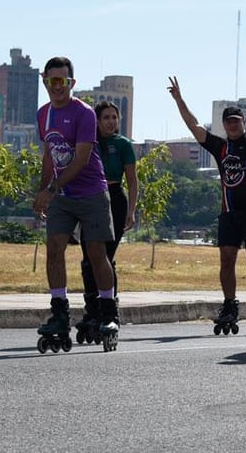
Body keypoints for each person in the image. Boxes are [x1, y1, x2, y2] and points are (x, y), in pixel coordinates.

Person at [167, 76, 246, 336]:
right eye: (228, 122)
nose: (232, 125)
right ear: (224, 125)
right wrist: (179, 100)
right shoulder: (220, 147)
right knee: (226, 259)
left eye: (236, 121)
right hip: (229, 212)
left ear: (243, 123)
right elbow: (193, 126)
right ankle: (229, 305)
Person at [32, 56, 119, 353]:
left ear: (72, 83)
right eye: (51, 81)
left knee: (95, 253)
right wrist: (43, 190)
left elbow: (81, 159)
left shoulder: (83, 113)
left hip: (92, 192)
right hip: (62, 196)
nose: (56, 87)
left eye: (62, 81)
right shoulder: (43, 115)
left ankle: (108, 309)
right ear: (45, 81)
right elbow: (49, 154)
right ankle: (59, 310)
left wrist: (52, 188)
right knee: (54, 248)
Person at [75, 101, 138, 344]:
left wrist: (131, 211)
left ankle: (109, 307)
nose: (111, 121)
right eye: (106, 117)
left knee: (104, 258)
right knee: (88, 260)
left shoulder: (122, 145)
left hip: (115, 200)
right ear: (97, 120)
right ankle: (92, 310)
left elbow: (132, 181)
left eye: (114, 117)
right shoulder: (87, 141)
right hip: (89, 200)